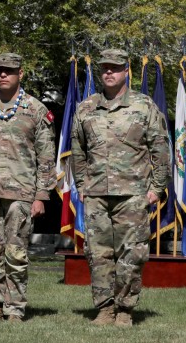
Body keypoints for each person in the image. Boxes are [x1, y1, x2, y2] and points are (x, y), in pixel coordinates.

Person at [71, 48, 170, 327]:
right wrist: (81, 185)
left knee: (132, 253)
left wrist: (156, 188)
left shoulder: (144, 105)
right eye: (104, 68)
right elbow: (77, 151)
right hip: (96, 194)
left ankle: (125, 309)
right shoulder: (86, 107)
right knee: (98, 253)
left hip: (133, 194)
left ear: (126, 70)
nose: (109, 72)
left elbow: (160, 150)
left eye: (115, 68)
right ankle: (104, 309)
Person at [0, 53, 56, 322]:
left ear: (20, 74)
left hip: (22, 194)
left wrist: (41, 196)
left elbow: (46, 157)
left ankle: (14, 308)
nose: (3, 75)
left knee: (15, 252)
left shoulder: (36, 110)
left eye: (9, 71)